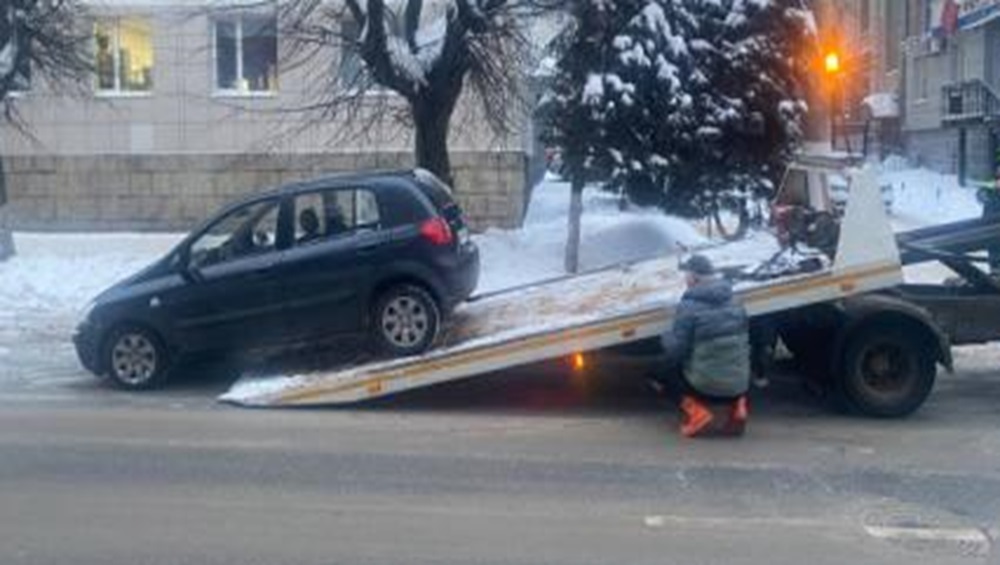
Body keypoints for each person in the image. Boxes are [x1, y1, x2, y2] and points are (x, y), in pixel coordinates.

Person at [662, 254, 751, 437]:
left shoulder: (689, 306)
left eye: (686, 274)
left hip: (705, 388)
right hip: (740, 385)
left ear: (694, 277)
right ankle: (738, 408)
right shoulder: (736, 300)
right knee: (733, 361)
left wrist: (665, 337)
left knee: (662, 373)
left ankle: (697, 414)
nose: (685, 279)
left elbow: (676, 352)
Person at [981, 165, 1000, 276]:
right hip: (989, 224)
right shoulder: (993, 184)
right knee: (993, 249)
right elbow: (983, 191)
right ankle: (995, 271)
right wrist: (983, 194)